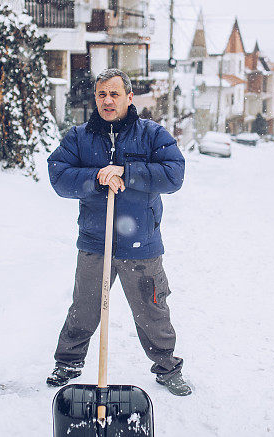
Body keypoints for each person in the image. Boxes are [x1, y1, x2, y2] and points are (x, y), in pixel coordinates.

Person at [45, 68, 191, 396]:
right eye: (101, 94)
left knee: (152, 310)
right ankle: (67, 362)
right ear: (95, 98)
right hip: (96, 241)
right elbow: (59, 176)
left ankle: (167, 367)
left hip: (142, 243)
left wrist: (129, 171)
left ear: (129, 97)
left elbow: (174, 174)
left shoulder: (152, 135)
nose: (108, 100)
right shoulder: (79, 137)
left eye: (114, 93)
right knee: (84, 306)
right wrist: (97, 176)